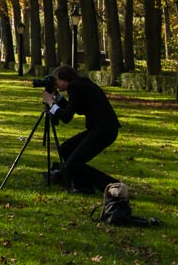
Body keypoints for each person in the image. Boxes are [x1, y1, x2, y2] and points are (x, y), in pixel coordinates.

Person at [42, 65, 121, 194]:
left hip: (104, 130)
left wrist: (51, 103)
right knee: (66, 149)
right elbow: (76, 108)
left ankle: (114, 186)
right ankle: (82, 186)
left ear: (64, 78)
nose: (55, 84)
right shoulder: (80, 84)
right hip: (103, 128)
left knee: (74, 162)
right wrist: (59, 98)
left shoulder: (75, 86)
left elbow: (66, 117)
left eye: (56, 80)